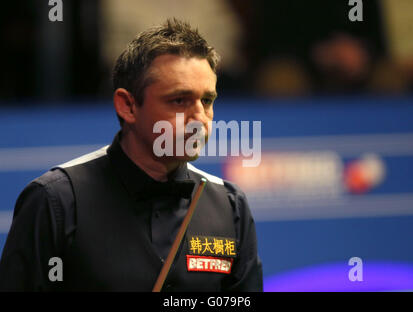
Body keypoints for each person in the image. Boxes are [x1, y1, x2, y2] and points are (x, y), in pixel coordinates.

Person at [0, 18, 263, 292]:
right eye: (179, 100)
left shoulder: (231, 207)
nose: (200, 118)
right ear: (128, 106)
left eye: (206, 101)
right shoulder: (56, 201)